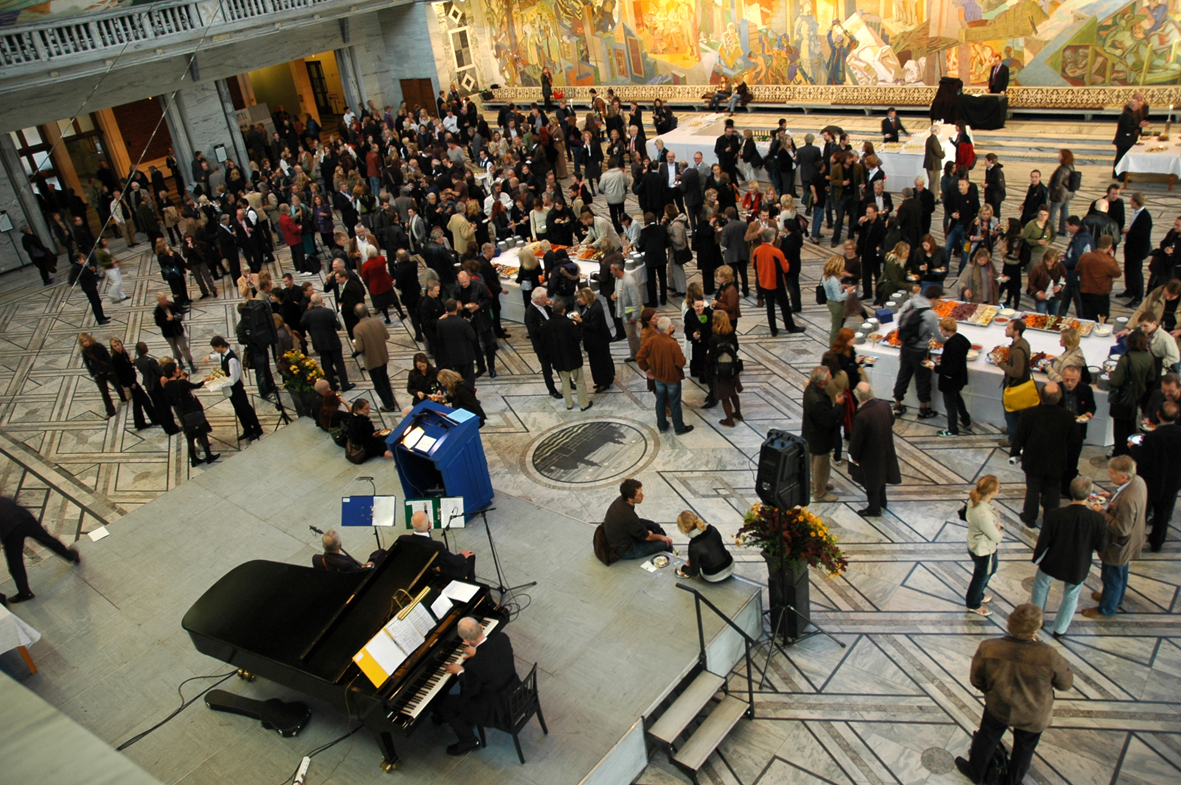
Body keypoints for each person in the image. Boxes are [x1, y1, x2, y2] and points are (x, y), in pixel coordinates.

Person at [954, 604, 1073, 785]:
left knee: (987, 738)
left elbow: (976, 680)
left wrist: (990, 691)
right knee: (1024, 749)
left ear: (1010, 623)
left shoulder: (989, 648)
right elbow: (1065, 683)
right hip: (1033, 713)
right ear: (1036, 627)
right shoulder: (1048, 655)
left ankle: (975, 772)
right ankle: (1013, 781)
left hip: (999, 705)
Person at [1030, 477, 1108, 639]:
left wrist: (1037, 558)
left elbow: (1044, 540)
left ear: (1072, 493)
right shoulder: (1098, 519)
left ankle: (1036, 621)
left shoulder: (1054, 514)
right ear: (1088, 495)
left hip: (1052, 561)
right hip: (1078, 564)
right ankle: (1060, 629)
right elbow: (1101, 546)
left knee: (1040, 586)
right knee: (1071, 595)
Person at [434, 616, 520, 756]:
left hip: (495, 708)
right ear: (481, 627)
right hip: (513, 690)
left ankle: (469, 741)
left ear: (466, 641)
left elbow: (468, 693)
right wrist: (478, 653)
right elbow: (492, 658)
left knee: (444, 703)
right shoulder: (502, 638)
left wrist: (461, 672)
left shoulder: (474, 667)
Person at [1083, 455, 1148, 619]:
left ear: (1124, 476)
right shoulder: (1137, 481)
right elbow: (1124, 497)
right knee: (1121, 573)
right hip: (1131, 541)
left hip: (1118, 545)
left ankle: (1107, 608)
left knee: (1111, 577)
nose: (1109, 475)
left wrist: (1101, 512)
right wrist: (1111, 495)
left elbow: (1121, 528)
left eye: (1112, 473)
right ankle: (1114, 598)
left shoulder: (1127, 500)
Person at [1012, 382, 1080, 527]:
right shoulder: (1068, 416)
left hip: (1033, 460)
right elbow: (1074, 441)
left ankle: (1029, 517)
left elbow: (1020, 436)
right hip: (1056, 462)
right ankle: (1051, 519)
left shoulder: (1029, 413)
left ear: (1041, 396)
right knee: (1053, 490)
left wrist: (1014, 453)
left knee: (1033, 489)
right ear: (1059, 397)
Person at [0, 496, 81, 603]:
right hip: (23, 517)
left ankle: (25, 592)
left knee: (16, 563)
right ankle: (71, 556)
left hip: (10, 530)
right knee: (47, 540)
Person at [1132, 401, 1181, 551]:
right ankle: (1157, 542)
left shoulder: (1153, 437)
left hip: (1152, 481)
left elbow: (1144, 460)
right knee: (1164, 513)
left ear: (1158, 415)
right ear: (1178, 416)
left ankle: (1137, 540)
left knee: (1144, 511)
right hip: (1173, 480)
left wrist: (1133, 449)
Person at [849, 383, 900, 517]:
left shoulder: (862, 416)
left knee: (871, 482)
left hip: (870, 454)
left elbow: (857, 439)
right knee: (881, 477)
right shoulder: (884, 405)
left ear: (858, 396)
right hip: (885, 447)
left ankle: (874, 508)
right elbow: (891, 421)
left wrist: (853, 456)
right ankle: (882, 501)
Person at [892, 285, 944, 419]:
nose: (938, 303)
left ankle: (897, 405)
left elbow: (900, 322)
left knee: (903, 374)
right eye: (939, 300)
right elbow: (938, 336)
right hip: (920, 350)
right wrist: (949, 339)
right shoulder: (931, 314)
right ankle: (923, 409)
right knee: (923, 379)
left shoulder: (909, 303)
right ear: (933, 299)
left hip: (906, 347)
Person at [637, 316, 693, 435]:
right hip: (672, 378)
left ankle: (662, 425)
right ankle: (679, 428)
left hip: (658, 378)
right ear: (668, 328)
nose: (673, 326)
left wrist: (646, 369)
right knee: (675, 403)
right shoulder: (672, 344)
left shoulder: (651, 340)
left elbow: (639, 356)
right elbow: (681, 362)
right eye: (672, 325)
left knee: (660, 402)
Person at [161, 361, 219, 467]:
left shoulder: (167, 386)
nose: (179, 370)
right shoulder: (181, 382)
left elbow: (170, 402)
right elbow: (196, 386)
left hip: (183, 414)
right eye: (177, 369)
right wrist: (204, 380)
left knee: (190, 437)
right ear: (174, 372)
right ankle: (209, 456)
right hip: (192, 409)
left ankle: (194, 459)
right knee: (202, 433)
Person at [1108, 328, 1155, 456]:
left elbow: (1116, 382)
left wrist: (1112, 374)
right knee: (1130, 425)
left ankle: (1119, 452)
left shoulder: (1126, 359)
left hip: (1123, 399)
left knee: (1119, 428)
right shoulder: (1148, 357)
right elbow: (1151, 377)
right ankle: (1131, 451)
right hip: (1137, 396)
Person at [207, 336, 263, 441]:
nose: (214, 350)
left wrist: (218, 382)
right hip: (231, 389)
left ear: (220, 346)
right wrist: (209, 357)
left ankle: (257, 429)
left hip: (237, 388)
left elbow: (233, 378)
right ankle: (247, 429)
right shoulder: (222, 354)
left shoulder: (231, 359)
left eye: (215, 348)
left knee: (245, 409)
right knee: (238, 410)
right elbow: (217, 357)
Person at [602, 478, 673, 560]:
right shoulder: (627, 515)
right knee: (666, 543)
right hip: (626, 550)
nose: (643, 495)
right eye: (639, 495)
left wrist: (648, 532)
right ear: (630, 498)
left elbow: (635, 525)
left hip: (620, 536)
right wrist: (661, 538)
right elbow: (646, 537)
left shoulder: (621, 500)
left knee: (654, 526)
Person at [542, 299, 592, 412]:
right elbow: (579, 337)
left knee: (565, 382)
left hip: (558, 358)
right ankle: (584, 403)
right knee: (579, 381)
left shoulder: (546, 325)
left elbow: (544, 341)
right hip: (573, 357)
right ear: (564, 311)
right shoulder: (569, 324)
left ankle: (569, 404)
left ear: (553, 310)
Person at [752, 227, 804, 336]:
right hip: (776, 282)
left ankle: (773, 329)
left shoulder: (756, 250)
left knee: (770, 307)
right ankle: (790, 327)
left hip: (763, 282)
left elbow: (754, 265)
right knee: (784, 306)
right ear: (772, 239)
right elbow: (785, 268)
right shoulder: (777, 252)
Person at [803, 366, 844, 503]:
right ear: (821, 381)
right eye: (828, 376)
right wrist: (838, 405)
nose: (830, 378)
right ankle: (820, 493)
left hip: (813, 433)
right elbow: (829, 420)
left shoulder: (811, 388)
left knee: (816, 463)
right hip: (819, 437)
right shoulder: (817, 399)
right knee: (820, 465)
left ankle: (817, 484)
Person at [397, 510, 475, 581]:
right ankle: (472, 584)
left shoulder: (403, 539)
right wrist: (462, 555)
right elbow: (455, 562)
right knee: (470, 556)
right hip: (437, 575)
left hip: (417, 572)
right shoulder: (437, 546)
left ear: (411, 525)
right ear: (429, 524)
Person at [965, 475, 1003, 616]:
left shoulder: (976, 501)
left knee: (989, 570)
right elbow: (996, 537)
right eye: (998, 488)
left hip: (979, 544)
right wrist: (998, 528)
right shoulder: (982, 513)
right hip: (983, 549)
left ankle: (978, 595)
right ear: (991, 492)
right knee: (981, 576)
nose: (999, 490)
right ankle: (973, 603)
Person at [301, 294, 352, 392]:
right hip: (332, 341)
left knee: (326, 365)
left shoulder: (308, 314)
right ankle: (345, 384)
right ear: (321, 300)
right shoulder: (328, 312)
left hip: (320, 344)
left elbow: (302, 323)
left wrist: (307, 309)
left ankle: (332, 386)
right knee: (339, 363)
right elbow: (337, 326)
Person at [351, 305, 397, 412]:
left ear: (356, 314)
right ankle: (390, 399)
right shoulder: (378, 321)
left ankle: (388, 404)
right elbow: (387, 336)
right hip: (382, 355)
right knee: (385, 378)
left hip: (371, 360)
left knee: (378, 383)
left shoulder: (357, 328)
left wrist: (355, 345)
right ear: (367, 311)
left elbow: (360, 348)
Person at [930, 317, 971, 437]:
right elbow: (956, 360)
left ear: (948, 330)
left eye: (942, 329)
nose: (940, 332)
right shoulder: (961, 339)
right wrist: (945, 359)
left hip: (950, 380)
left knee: (950, 405)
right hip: (960, 378)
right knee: (957, 398)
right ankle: (966, 419)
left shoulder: (951, 345)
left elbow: (951, 369)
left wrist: (935, 368)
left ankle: (952, 429)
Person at [996, 318, 1032, 447]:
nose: (1006, 329)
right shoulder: (1023, 343)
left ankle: (1012, 437)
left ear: (1016, 331)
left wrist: (1001, 364)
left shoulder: (1017, 350)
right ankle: (1013, 429)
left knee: (1010, 412)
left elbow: (1017, 372)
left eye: (1009, 328)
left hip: (1015, 385)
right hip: (1020, 384)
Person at [674, 511, 734, 582]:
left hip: (714, 575)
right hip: (730, 564)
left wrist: (682, 568)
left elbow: (694, 572)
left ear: (685, 529)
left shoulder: (693, 545)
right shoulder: (712, 529)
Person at [577, 288, 614, 393]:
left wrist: (581, 321)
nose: (579, 300)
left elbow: (594, 326)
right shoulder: (590, 305)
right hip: (593, 341)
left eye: (580, 298)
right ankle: (599, 380)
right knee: (595, 363)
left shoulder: (595, 308)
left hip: (598, 341)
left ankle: (605, 382)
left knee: (601, 362)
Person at [1076, 235, 1122, 320]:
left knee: (1086, 317)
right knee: (1101, 319)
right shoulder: (1108, 261)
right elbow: (1117, 273)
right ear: (1109, 247)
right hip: (1101, 294)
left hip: (1085, 292)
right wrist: (1112, 258)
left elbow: (1077, 271)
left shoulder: (1085, 257)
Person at [709, 310, 742, 426]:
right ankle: (738, 413)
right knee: (733, 393)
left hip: (720, 371)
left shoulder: (714, 338)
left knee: (724, 396)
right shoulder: (732, 335)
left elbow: (711, 355)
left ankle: (729, 419)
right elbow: (736, 348)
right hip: (733, 368)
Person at [1120, 192, 1152, 308]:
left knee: (1136, 273)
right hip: (1130, 247)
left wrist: (1129, 231)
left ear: (1136, 202)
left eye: (1131, 200)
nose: (1130, 202)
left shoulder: (1145, 217)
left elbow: (1143, 234)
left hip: (1138, 250)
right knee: (1128, 270)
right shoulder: (1136, 213)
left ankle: (1138, 296)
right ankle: (1129, 290)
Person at [313, 529, 381, 572]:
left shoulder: (316, 559)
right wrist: (370, 564)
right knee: (380, 553)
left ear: (323, 546)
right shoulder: (347, 565)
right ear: (340, 545)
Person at [1048, 149, 1076, 235]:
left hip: (1060, 194)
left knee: (1052, 211)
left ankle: (1050, 230)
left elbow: (1057, 182)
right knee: (1064, 210)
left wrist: (1051, 192)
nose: (1058, 157)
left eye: (1060, 155)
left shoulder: (1062, 169)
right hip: (1068, 193)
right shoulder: (1071, 166)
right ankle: (1064, 230)